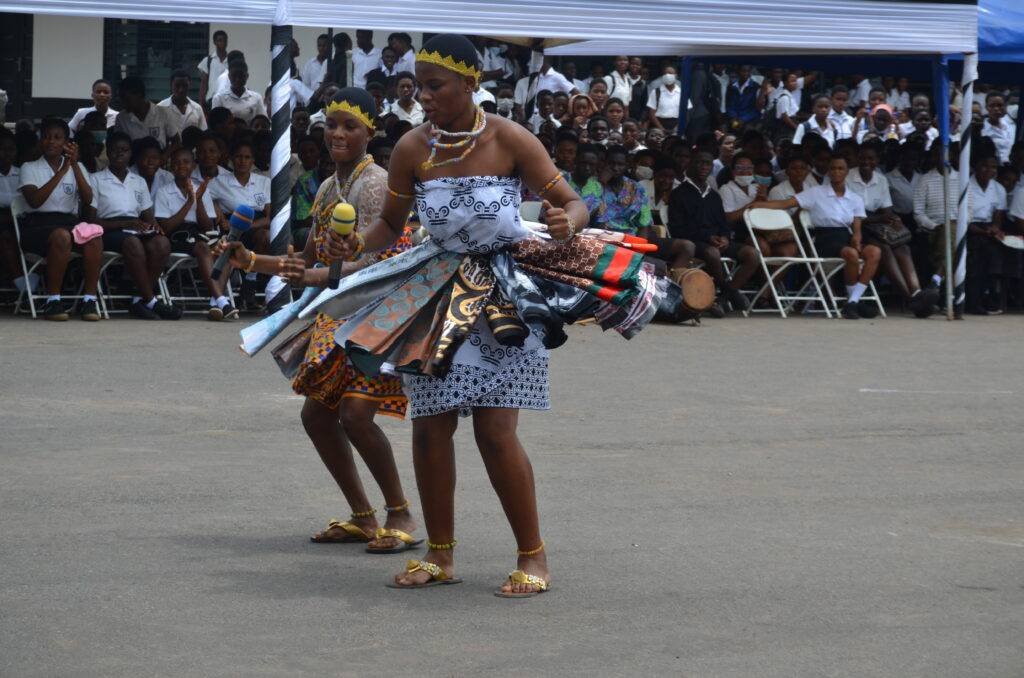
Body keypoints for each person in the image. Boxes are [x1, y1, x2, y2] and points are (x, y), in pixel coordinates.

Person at [316, 34, 678, 597]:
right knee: (430, 426)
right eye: (420, 86)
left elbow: (573, 202)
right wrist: (355, 246)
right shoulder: (411, 148)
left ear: (470, 84)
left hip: (504, 296)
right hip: (436, 293)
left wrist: (568, 222)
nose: (424, 96)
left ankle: (533, 557)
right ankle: (439, 554)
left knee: (494, 431)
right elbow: (389, 225)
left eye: (436, 86)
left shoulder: (510, 138)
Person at [216, 87, 423, 555]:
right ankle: (363, 517)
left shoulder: (375, 183)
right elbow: (307, 259)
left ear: (370, 130)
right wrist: (251, 260)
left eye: (350, 126)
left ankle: (400, 514)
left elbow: (370, 261)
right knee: (316, 416)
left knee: (355, 415)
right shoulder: (329, 187)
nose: (337, 134)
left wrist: (312, 275)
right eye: (331, 124)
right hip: (341, 313)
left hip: (379, 314)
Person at [752, 154, 880, 319]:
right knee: (851, 254)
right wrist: (759, 204)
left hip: (845, 236)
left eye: (840, 168)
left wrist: (857, 238)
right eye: (833, 168)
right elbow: (785, 204)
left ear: (847, 172)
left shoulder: (855, 198)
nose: (836, 172)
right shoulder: (816, 192)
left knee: (874, 252)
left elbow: (857, 227)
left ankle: (853, 301)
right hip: (824, 238)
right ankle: (853, 302)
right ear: (828, 171)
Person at [85, 131, 180, 320]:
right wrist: (125, 223)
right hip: (108, 230)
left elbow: (148, 217)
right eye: (115, 150)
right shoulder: (95, 179)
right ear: (107, 152)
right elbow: (90, 221)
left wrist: (154, 228)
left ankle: (138, 300)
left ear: (130, 154)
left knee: (162, 244)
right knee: (132, 242)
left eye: (125, 150)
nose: (120, 153)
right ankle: (151, 301)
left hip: (135, 228)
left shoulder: (138, 181)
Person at [17, 118, 102, 320]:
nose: (51, 142)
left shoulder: (77, 167)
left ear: (66, 143)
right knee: (62, 236)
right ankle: (53, 301)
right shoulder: (29, 167)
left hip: (68, 223)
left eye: (57, 138)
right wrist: (62, 171)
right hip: (37, 225)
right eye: (46, 137)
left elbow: (88, 199)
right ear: (40, 140)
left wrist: (74, 166)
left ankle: (89, 301)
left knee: (94, 237)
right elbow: (35, 201)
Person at [847, 143, 934, 316]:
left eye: (871, 158)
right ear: (857, 158)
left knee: (903, 247)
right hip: (855, 227)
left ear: (877, 160)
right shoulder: (848, 177)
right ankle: (910, 299)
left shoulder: (881, 179)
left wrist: (892, 219)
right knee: (884, 249)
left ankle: (916, 292)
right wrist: (879, 218)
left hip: (876, 227)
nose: (866, 162)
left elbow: (887, 210)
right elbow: (848, 214)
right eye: (863, 158)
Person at [668, 150, 753, 314]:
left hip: (717, 241)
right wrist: (708, 237)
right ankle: (729, 291)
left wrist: (725, 237)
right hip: (694, 242)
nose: (704, 167)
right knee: (713, 253)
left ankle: (723, 297)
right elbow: (678, 229)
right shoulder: (679, 193)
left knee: (752, 254)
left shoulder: (714, 195)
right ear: (691, 164)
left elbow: (723, 223)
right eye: (700, 162)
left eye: (708, 164)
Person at [154, 146, 235, 321]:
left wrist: (198, 200)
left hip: (200, 233)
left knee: (227, 250)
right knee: (203, 247)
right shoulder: (164, 191)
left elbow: (207, 226)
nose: (181, 166)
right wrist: (190, 202)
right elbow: (166, 227)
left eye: (186, 162)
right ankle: (222, 300)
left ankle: (216, 303)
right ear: (171, 166)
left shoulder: (201, 189)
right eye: (176, 163)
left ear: (193, 166)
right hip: (177, 236)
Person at [208, 138, 271, 310]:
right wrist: (219, 213)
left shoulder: (263, 182)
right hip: (231, 227)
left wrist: (248, 226)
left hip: (256, 226)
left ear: (253, 160)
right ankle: (217, 302)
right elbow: (207, 200)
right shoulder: (219, 182)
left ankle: (250, 280)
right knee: (228, 248)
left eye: (247, 157)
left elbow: (269, 217)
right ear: (231, 159)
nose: (242, 161)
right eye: (238, 157)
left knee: (266, 236)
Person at [966, 155, 1014, 314]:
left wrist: (995, 229)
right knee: (978, 252)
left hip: (987, 229)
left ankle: (991, 297)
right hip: (969, 228)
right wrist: (984, 232)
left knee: (999, 251)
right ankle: (973, 301)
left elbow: (998, 217)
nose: (989, 170)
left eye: (993, 167)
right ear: (975, 166)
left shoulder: (998, 189)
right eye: (984, 166)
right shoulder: (965, 185)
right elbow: (963, 220)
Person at [592, 145, 652, 235]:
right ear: (604, 163)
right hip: (598, 236)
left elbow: (644, 222)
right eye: (611, 163)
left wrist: (640, 244)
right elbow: (587, 212)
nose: (615, 168)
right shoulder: (593, 184)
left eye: (620, 164)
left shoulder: (636, 188)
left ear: (627, 165)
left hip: (629, 237)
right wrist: (601, 183)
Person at [113, 77, 180, 149]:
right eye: (121, 99)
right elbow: (117, 144)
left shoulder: (163, 113)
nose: (123, 103)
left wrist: (164, 155)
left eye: (126, 99)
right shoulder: (121, 118)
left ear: (139, 94)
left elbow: (177, 141)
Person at [212, 61, 267, 125]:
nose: (237, 79)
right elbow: (215, 124)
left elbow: (263, 121)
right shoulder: (219, 98)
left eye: (241, 76)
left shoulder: (256, 98)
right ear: (229, 76)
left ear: (247, 76)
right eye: (234, 76)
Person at [981, 92, 1016, 165]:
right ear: (986, 107)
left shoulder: (1012, 125)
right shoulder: (982, 130)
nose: (996, 109)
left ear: (1005, 106)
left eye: (1000, 105)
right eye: (992, 106)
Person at [198, 30, 229, 107]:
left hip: (228, 100)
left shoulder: (231, 60)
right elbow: (204, 83)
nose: (223, 43)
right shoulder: (208, 61)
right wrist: (201, 103)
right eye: (220, 40)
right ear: (215, 42)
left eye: (225, 40)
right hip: (211, 100)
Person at [646, 65, 681, 132]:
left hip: (676, 125)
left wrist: (677, 127)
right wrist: (661, 128)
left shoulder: (682, 93)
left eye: (670, 73)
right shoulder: (656, 92)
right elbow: (651, 113)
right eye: (665, 74)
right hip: (659, 125)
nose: (667, 75)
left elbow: (686, 113)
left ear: (676, 76)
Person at [726, 65, 760, 130]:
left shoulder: (755, 87)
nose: (745, 73)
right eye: (743, 71)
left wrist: (743, 119)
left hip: (749, 119)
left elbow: (756, 109)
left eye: (748, 71)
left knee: (748, 129)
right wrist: (733, 117)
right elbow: (729, 105)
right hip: (734, 119)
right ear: (738, 72)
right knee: (723, 128)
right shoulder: (732, 87)